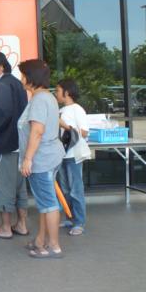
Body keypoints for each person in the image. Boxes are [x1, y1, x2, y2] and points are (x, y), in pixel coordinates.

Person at [17, 60, 66, 258]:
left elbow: (37, 131)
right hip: (51, 155)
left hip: (42, 159)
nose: (21, 79)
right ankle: (40, 240)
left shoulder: (39, 100)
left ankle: (53, 247)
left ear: (31, 77)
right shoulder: (47, 97)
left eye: (23, 75)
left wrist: (28, 159)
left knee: (48, 203)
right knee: (46, 202)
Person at [0, 52, 29, 239]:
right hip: (19, 144)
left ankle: (5, 227)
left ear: (1, 67)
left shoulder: (2, 84)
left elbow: (2, 113)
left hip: (4, 144)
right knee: (19, 187)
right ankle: (22, 225)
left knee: (2, 185)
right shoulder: (17, 84)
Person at [56, 78, 89, 236]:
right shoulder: (61, 110)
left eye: (58, 90)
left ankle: (79, 222)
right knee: (65, 190)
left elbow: (84, 132)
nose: (56, 93)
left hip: (74, 155)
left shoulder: (77, 109)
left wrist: (65, 126)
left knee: (75, 189)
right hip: (62, 155)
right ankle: (70, 217)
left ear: (67, 92)